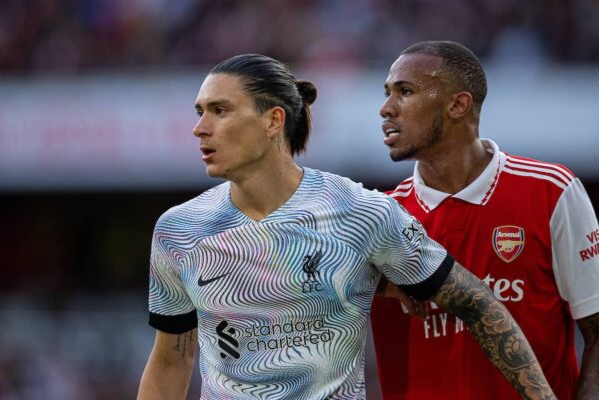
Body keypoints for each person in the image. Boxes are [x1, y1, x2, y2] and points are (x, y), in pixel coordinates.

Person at [137, 53, 555, 400]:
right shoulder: (179, 230)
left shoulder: (361, 212)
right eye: (199, 112)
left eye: (220, 111)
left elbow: (479, 303)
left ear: (272, 121)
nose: (199, 128)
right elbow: (172, 359)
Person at [371, 40, 599, 400]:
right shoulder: (376, 218)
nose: (386, 108)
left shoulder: (550, 192)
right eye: (387, 93)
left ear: (458, 104)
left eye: (405, 91)